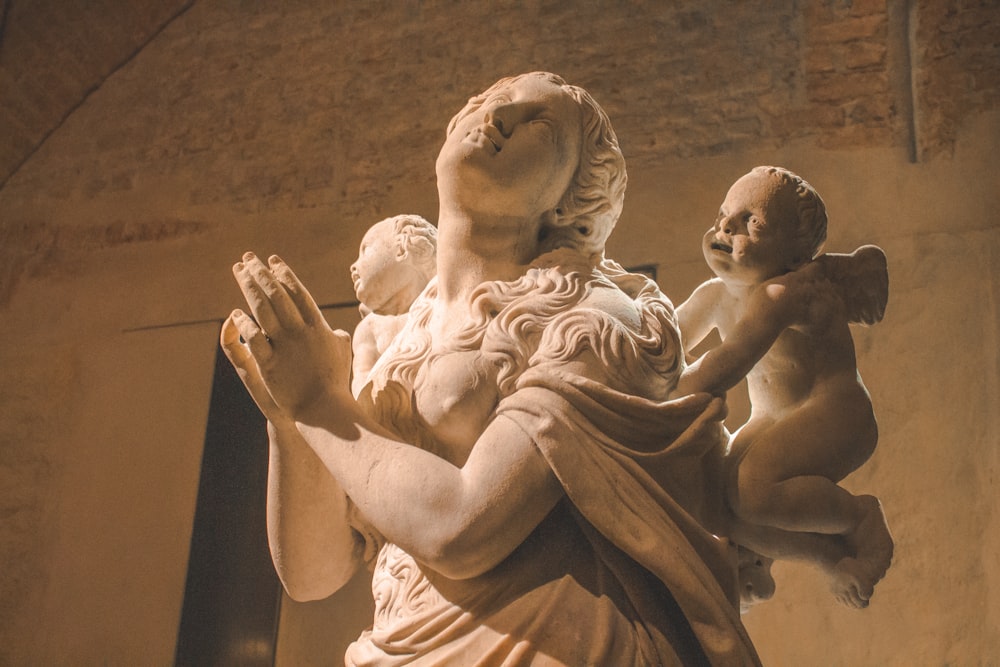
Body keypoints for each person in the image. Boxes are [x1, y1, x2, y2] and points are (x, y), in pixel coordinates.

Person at [221, 72, 770, 665]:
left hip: (546, 647)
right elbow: (314, 574)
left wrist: (320, 405)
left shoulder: (591, 315)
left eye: (538, 122)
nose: (497, 118)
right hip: (403, 647)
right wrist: (290, 416)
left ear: (570, 197)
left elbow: (462, 527)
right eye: (487, 102)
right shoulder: (399, 336)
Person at [676, 166, 893, 609]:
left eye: (752, 223)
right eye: (724, 215)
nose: (726, 227)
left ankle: (860, 519)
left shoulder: (788, 293)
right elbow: (664, 343)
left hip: (837, 413)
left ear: (795, 258)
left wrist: (660, 397)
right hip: (776, 417)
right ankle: (826, 555)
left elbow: (731, 362)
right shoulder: (716, 294)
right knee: (721, 500)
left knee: (754, 487)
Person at [349, 214, 437, 397]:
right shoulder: (370, 327)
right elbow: (362, 382)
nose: (353, 266)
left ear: (402, 248)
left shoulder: (440, 307)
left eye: (364, 250)